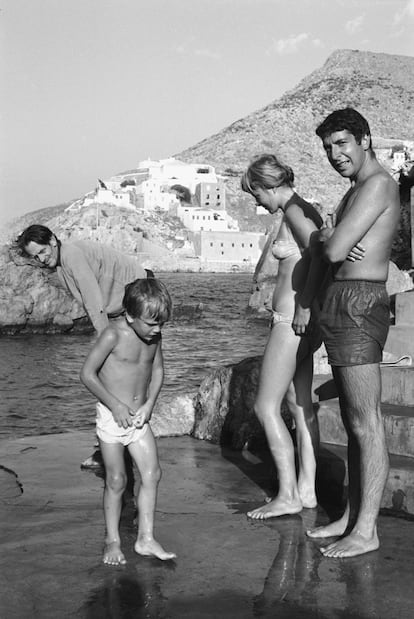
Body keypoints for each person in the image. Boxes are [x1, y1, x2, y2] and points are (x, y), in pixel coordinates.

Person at [306, 108, 400, 558]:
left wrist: (330, 235)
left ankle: (368, 530)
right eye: (327, 147)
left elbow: (336, 248)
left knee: (367, 423)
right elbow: (331, 242)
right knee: (351, 423)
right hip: (342, 302)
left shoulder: (379, 184)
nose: (334, 154)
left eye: (342, 143)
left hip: (361, 303)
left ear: (364, 139)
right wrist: (329, 233)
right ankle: (350, 516)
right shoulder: (355, 191)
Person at [241, 154, 323, 519]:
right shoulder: (304, 208)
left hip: (291, 320)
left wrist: (303, 305)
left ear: (267, 185)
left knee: (265, 406)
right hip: (302, 320)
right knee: (299, 403)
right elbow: (320, 249)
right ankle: (307, 489)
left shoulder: (292, 210)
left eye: (255, 192)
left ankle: (288, 494)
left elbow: (321, 254)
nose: (256, 201)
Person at [80, 277, 176, 565]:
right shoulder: (113, 335)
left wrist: (149, 405)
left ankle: (145, 539)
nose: (157, 329)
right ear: (131, 316)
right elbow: (87, 374)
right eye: (151, 323)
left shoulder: (154, 336)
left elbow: (157, 372)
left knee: (152, 474)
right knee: (117, 480)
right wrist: (115, 405)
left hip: (139, 418)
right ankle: (112, 540)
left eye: (161, 323)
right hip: (112, 416)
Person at [16, 224, 152, 334]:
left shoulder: (71, 256)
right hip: (131, 303)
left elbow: (92, 298)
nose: (41, 259)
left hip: (143, 294)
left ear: (52, 241)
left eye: (42, 251)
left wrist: (104, 337)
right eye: (35, 257)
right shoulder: (61, 264)